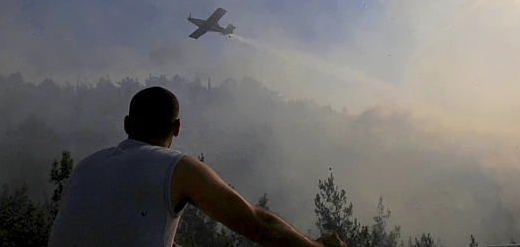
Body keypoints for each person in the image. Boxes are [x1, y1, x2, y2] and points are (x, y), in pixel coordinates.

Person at [48, 86, 346, 247]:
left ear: (126, 124)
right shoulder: (177, 167)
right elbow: (258, 225)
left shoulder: (85, 166)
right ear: (176, 128)